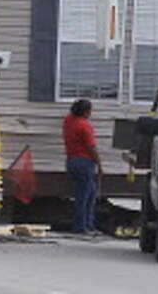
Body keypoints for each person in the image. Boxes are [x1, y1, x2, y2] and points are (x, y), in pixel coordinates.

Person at [62, 98, 102, 234]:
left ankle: (88, 225)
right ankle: (81, 226)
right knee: (85, 196)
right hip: (84, 162)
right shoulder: (85, 126)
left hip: (71, 160)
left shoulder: (68, 121)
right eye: (89, 111)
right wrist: (100, 164)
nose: (90, 113)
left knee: (88, 193)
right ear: (85, 112)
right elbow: (92, 147)